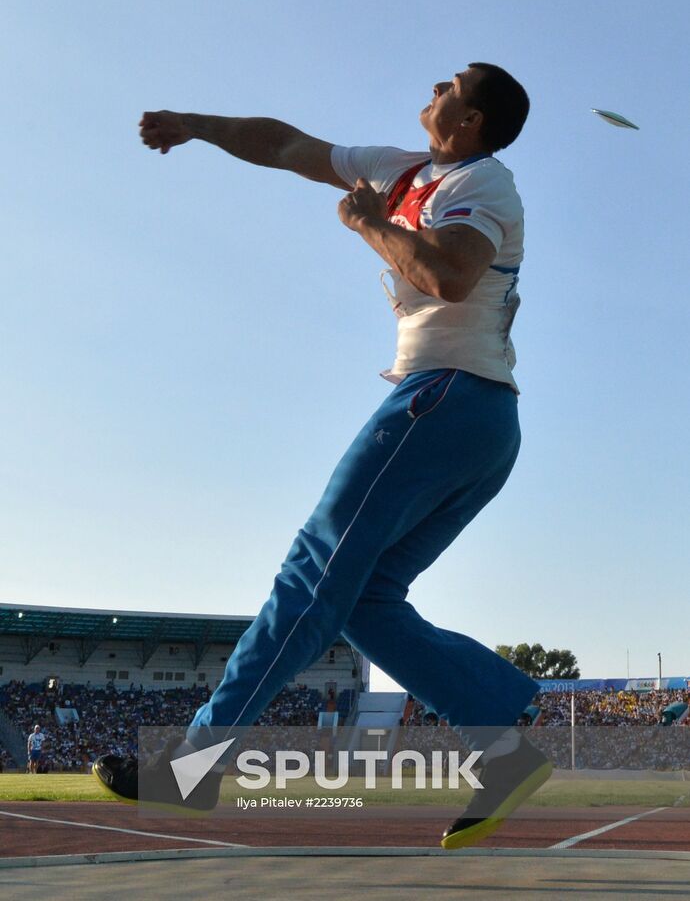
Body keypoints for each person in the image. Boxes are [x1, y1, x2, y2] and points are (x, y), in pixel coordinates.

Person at [94, 63, 552, 847]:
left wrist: (372, 226)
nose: (434, 84)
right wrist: (196, 124)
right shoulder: (405, 169)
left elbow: (448, 273)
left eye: (451, 84)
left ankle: (194, 765)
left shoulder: (483, 183)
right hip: (476, 418)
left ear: (471, 121)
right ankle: (500, 737)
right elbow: (284, 145)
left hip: (444, 401)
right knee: (365, 600)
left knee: (312, 575)